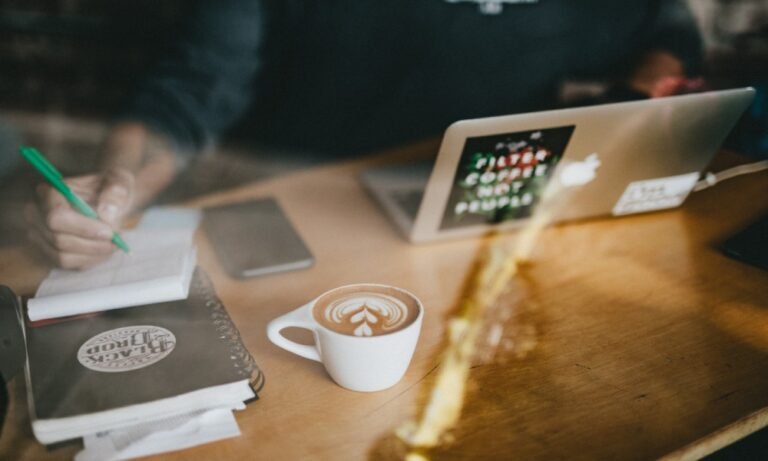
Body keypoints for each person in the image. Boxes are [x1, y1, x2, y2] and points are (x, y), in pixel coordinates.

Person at [27, 0, 705, 269]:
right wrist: (114, 185)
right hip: (290, 233)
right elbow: (189, 95)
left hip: (489, 227)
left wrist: (634, 104)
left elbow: (667, 32)